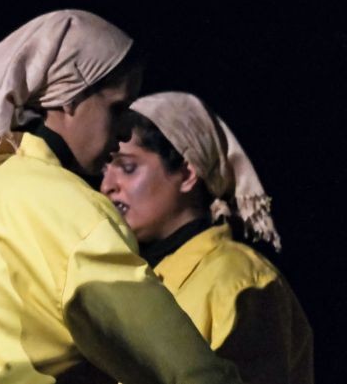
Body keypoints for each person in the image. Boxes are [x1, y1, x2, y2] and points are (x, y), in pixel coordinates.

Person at [0, 10, 245, 383]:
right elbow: (186, 371)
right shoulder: (66, 207)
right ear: (69, 97)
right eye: (117, 108)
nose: (123, 134)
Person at [101, 92, 313, 383]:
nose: (107, 186)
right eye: (105, 168)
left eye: (127, 168)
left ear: (188, 172)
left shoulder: (239, 280)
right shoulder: (133, 274)